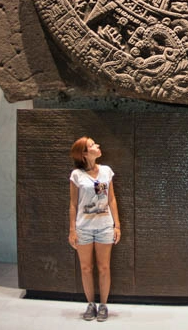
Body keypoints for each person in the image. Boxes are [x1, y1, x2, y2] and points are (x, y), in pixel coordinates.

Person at [68, 136, 121, 322]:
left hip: (104, 227)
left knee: (104, 267)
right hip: (83, 228)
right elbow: (73, 204)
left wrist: (117, 225)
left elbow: (111, 199)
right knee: (86, 268)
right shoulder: (76, 175)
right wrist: (72, 230)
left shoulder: (106, 171)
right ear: (84, 154)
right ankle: (90, 304)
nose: (97, 146)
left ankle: (103, 305)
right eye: (92, 145)